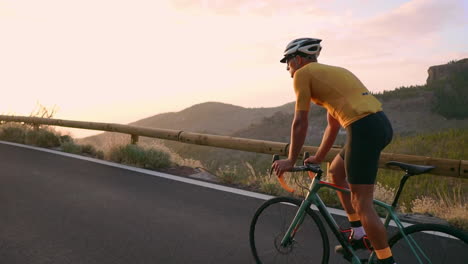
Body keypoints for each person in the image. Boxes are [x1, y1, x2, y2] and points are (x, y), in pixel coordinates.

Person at [272, 38, 395, 264]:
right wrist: (318, 157)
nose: (288, 70)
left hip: (363, 128)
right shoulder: (331, 73)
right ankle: (358, 233)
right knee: (336, 171)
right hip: (378, 124)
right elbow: (333, 124)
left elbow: (300, 121)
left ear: (297, 59)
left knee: (362, 202)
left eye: (287, 63)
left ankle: (387, 261)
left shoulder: (302, 74)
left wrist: (291, 160)